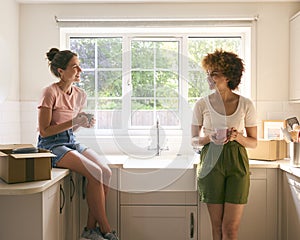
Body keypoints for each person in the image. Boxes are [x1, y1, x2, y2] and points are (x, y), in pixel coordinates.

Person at [37, 48, 119, 240]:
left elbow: (71, 129)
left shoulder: (80, 94)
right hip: (50, 145)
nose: (80, 70)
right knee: (95, 172)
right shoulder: (49, 92)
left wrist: (83, 123)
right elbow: (44, 131)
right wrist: (75, 121)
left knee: (105, 172)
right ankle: (106, 230)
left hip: (70, 141)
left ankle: (89, 230)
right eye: (75, 67)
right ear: (61, 71)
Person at [191, 49, 257, 240]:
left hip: (237, 162)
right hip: (211, 161)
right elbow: (193, 140)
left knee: (231, 229)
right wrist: (209, 138)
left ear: (228, 76)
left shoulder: (246, 104)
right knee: (217, 228)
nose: (209, 78)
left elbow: (253, 142)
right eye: (207, 74)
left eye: (214, 74)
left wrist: (237, 137)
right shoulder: (201, 104)